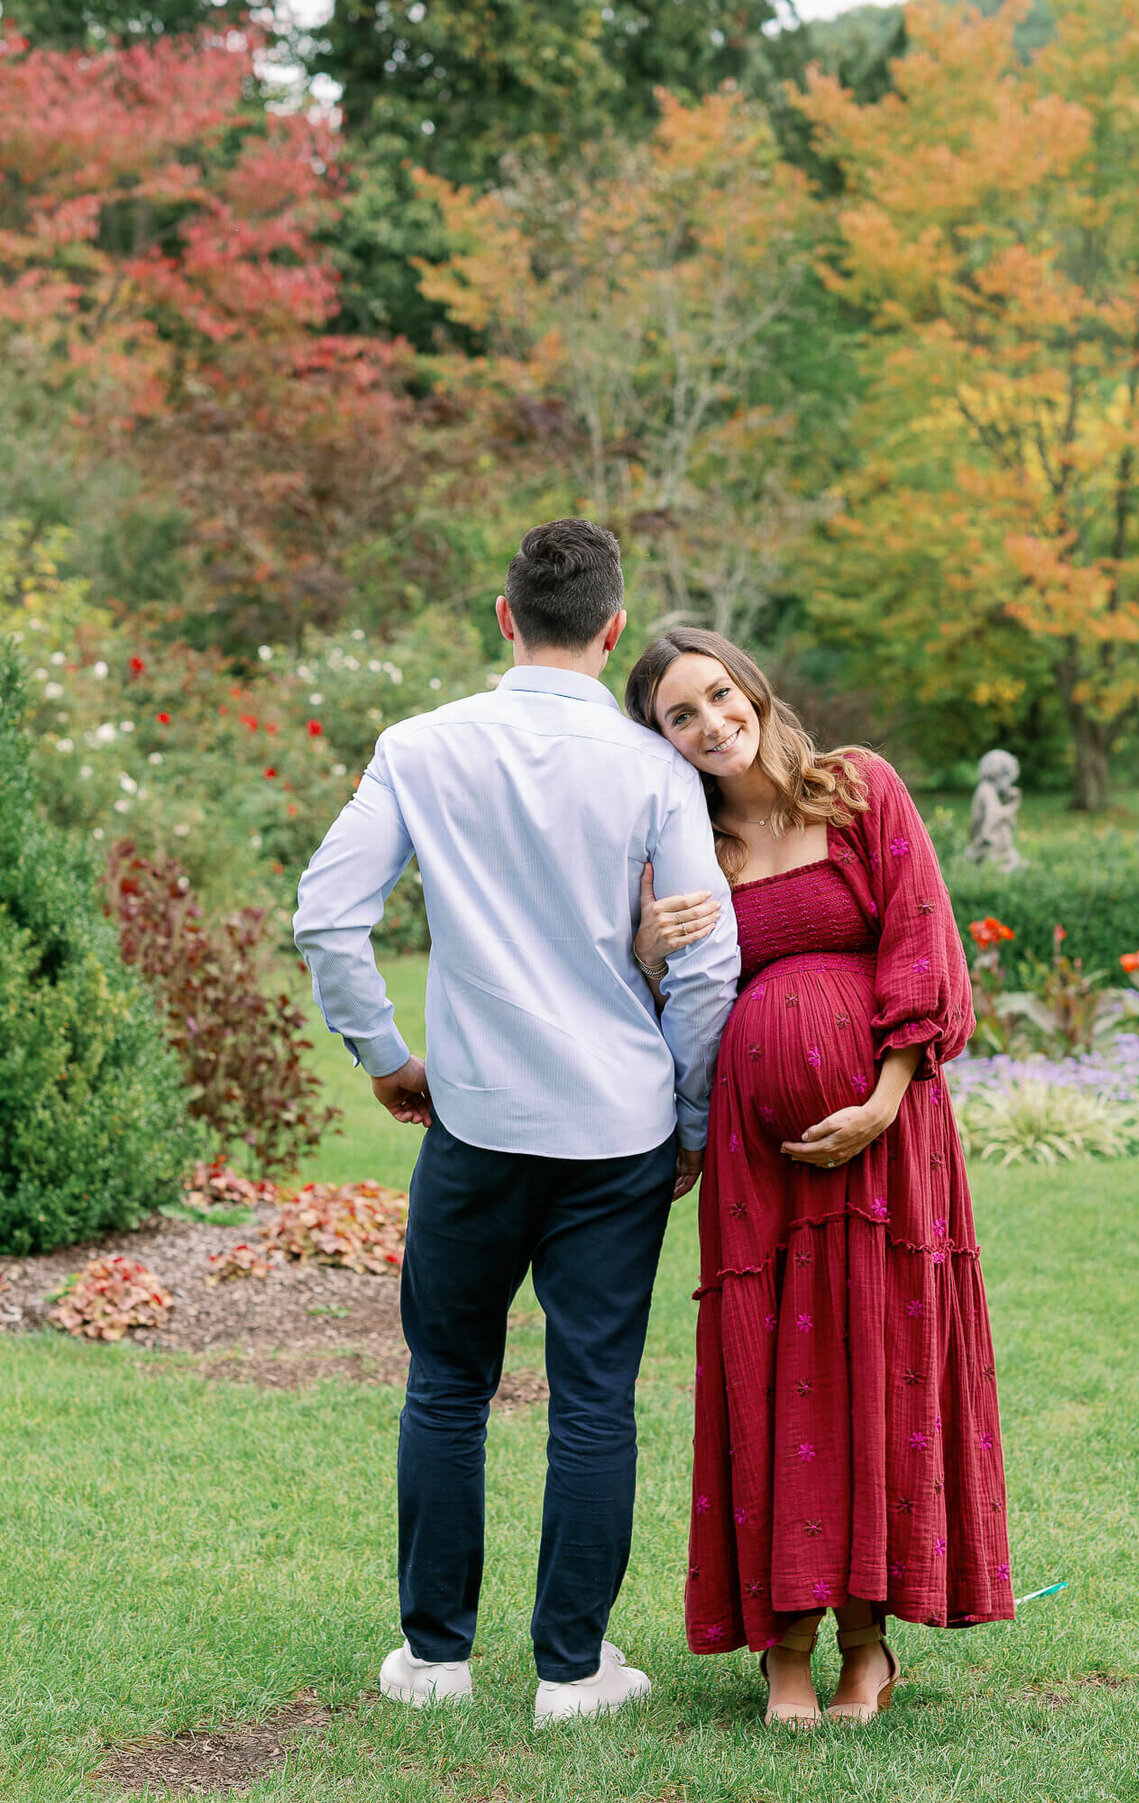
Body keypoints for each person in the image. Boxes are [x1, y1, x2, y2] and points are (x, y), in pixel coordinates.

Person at [293, 523, 740, 1726]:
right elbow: (707, 964)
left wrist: (384, 1056)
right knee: (593, 1396)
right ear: (612, 628)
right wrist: (692, 1121)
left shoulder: (421, 747)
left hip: (476, 1123)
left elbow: (329, 919)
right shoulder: (656, 771)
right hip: (619, 1131)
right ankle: (571, 1672)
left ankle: (434, 1662)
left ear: (503, 618)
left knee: (447, 1384)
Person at [625, 628, 1013, 1728]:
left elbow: (921, 940)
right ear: (660, 741)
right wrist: (649, 943)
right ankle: (782, 1642)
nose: (710, 724)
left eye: (717, 696)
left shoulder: (858, 791)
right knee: (774, 1372)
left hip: (888, 1143)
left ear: (751, 684)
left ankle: (868, 1646)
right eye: (678, 717)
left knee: (878, 1362)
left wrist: (882, 1102)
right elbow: (654, 999)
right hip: (761, 1169)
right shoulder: (684, 847)